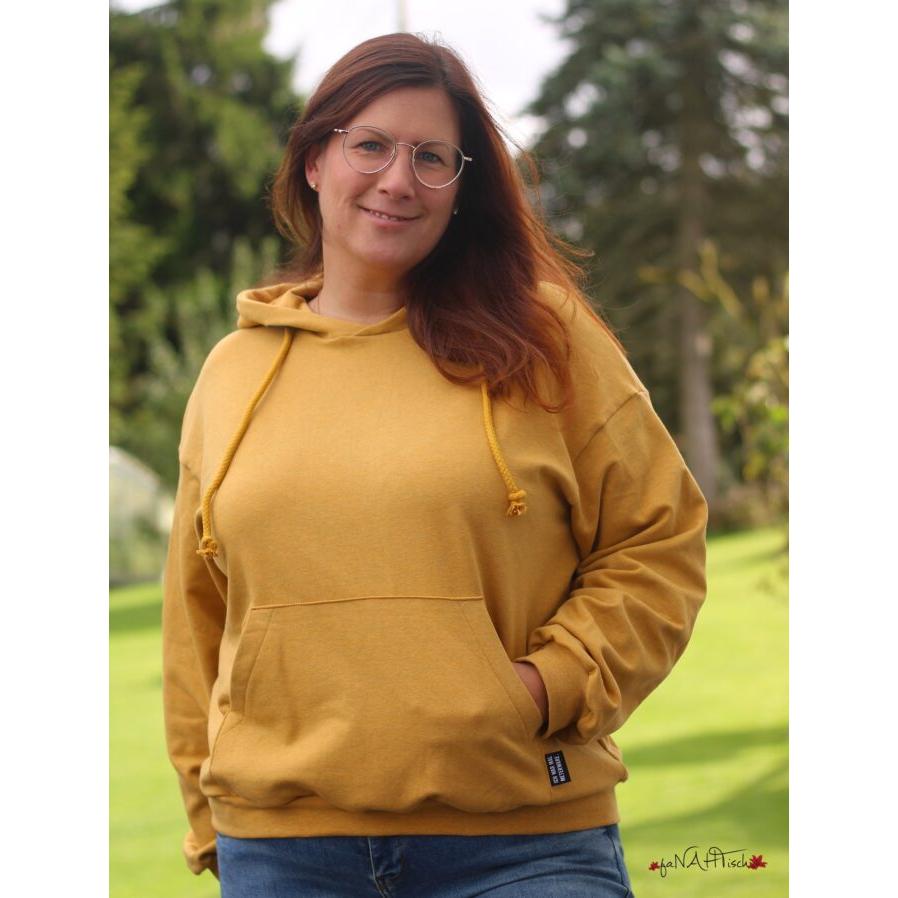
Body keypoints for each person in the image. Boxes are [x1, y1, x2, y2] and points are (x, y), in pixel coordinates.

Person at [161, 31, 708, 898]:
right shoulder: (233, 372)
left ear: (461, 189)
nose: (397, 179)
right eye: (371, 145)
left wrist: (546, 686)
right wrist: (209, 814)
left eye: (431, 158)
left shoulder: (544, 339)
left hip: (523, 845)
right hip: (284, 852)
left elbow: (660, 540)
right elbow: (195, 617)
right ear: (315, 161)